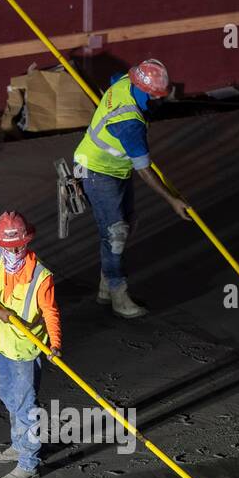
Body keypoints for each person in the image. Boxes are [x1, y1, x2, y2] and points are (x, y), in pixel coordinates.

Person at [73, 58, 191, 319]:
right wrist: (172, 200)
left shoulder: (126, 80)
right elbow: (145, 169)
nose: (158, 102)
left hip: (115, 168)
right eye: (156, 97)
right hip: (95, 170)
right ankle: (118, 293)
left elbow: (115, 77)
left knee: (125, 224)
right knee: (115, 233)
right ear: (147, 93)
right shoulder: (130, 123)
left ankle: (106, 286)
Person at [0, 211, 63, 478]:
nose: (11, 252)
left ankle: (29, 462)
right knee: (6, 393)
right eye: (7, 247)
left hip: (25, 350)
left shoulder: (41, 277)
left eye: (17, 247)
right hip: (0, 344)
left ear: (27, 243)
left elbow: (51, 313)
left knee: (25, 405)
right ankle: (19, 442)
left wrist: (55, 344)